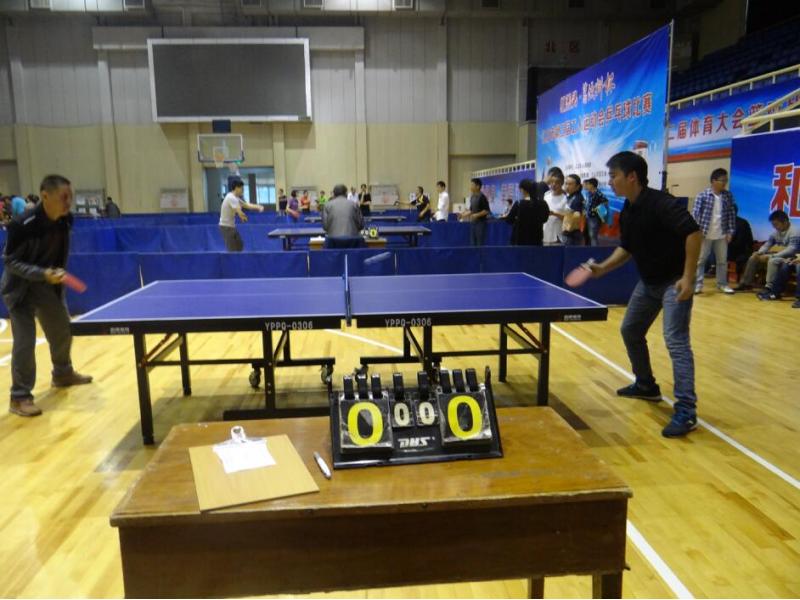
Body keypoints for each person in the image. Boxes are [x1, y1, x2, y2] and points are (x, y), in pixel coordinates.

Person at [587, 151, 702, 438]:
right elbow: (627, 247)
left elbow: (693, 233)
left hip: (674, 282)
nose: (610, 181)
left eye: (613, 175)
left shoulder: (662, 203)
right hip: (649, 283)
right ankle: (646, 385)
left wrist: (688, 278)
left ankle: (686, 411)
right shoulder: (628, 209)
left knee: (676, 342)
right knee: (630, 330)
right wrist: (602, 268)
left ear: (631, 177)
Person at [1, 174, 93, 417]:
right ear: (45, 196)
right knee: (25, 340)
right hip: (20, 289)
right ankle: (19, 397)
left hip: (47, 286)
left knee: (62, 328)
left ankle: (62, 373)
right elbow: (10, 262)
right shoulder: (22, 224)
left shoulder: (65, 220)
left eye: (70, 197)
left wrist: (55, 275)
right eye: (64, 197)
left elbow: (60, 251)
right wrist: (42, 273)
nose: (68, 202)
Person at [691, 168, 736, 295]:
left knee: (722, 261)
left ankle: (722, 284)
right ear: (713, 181)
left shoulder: (728, 196)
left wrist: (730, 231)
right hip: (705, 234)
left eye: (726, 180)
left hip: (721, 234)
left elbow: (731, 214)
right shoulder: (702, 195)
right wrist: (697, 231)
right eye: (722, 180)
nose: (725, 183)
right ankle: (698, 285)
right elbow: (695, 215)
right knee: (700, 260)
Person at [736, 210, 800, 293]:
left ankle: (769, 287)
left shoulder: (795, 231)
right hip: (781, 256)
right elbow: (767, 244)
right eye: (773, 225)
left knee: (772, 260)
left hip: (793, 258)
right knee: (754, 257)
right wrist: (759, 252)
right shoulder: (776, 233)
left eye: (776, 224)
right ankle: (745, 284)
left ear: (785, 222)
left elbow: (792, 249)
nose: (775, 227)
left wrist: (773, 256)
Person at [218, 179, 264, 252]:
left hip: (231, 226)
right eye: (242, 188)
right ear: (236, 188)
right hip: (226, 227)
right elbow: (239, 211)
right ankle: (233, 259)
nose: (243, 190)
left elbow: (247, 205)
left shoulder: (235, 198)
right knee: (232, 250)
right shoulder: (231, 198)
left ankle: (238, 258)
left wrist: (259, 207)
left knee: (240, 245)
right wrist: (243, 217)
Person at [503, 179, 550, 246]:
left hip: (520, 240)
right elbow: (545, 219)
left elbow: (509, 220)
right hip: (536, 239)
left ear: (523, 190)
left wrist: (517, 219)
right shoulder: (543, 203)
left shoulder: (519, 204)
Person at [460, 178, 491, 247]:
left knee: (479, 243)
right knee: (473, 243)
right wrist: (463, 215)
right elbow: (471, 210)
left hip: (480, 224)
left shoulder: (482, 197)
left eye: (472, 185)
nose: (470, 187)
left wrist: (476, 215)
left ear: (478, 186)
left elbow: (486, 211)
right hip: (473, 223)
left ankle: (480, 254)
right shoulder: (472, 197)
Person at [727, 205, 754, 281]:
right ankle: (712, 267)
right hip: (731, 248)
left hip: (742, 251)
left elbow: (741, 242)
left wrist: (727, 243)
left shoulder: (742, 224)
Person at [543, 168, 568, 245]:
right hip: (545, 233)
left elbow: (568, 218)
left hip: (559, 235)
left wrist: (554, 214)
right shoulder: (546, 195)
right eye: (551, 182)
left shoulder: (566, 198)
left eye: (557, 182)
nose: (553, 184)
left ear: (562, 183)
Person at [560, 174, 585, 246]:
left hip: (572, 233)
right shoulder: (570, 196)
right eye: (566, 183)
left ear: (577, 186)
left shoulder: (577, 198)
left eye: (570, 184)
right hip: (569, 232)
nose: (567, 186)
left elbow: (577, 215)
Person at [584, 178, 609, 246]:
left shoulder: (598, 193)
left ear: (592, 185)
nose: (586, 186)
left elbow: (605, 201)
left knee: (593, 236)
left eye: (588, 184)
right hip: (588, 217)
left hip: (595, 217)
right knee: (589, 235)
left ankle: (594, 250)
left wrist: (598, 209)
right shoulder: (588, 193)